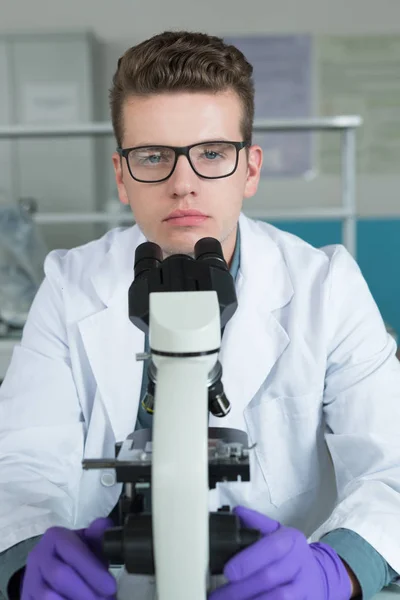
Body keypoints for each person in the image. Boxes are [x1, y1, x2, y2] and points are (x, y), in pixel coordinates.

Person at [0, 30, 400, 600]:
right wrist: (24, 558)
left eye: (212, 153)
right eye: (153, 156)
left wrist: (340, 570)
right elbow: (22, 460)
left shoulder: (325, 287)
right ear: (121, 174)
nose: (182, 184)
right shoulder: (70, 285)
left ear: (250, 169)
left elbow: (392, 463)